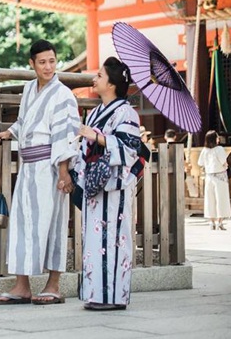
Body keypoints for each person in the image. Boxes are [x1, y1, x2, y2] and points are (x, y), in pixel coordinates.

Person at [0, 40, 81, 306]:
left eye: (52, 61)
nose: (48, 67)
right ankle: (22, 285)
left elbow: (65, 133)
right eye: (42, 62)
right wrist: (10, 132)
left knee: (52, 223)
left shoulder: (63, 94)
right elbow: (24, 121)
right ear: (32, 64)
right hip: (27, 166)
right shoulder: (30, 89)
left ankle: (53, 284)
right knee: (22, 224)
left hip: (50, 167)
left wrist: (64, 171)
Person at [75, 56, 143, 311]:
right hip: (95, 183)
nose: (95, 79)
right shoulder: (94, 113)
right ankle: (96, 293)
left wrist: (98, 137)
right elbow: (85, 147)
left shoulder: (126, 112)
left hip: (115, 187)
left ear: (112, 84)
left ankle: (113, 296)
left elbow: (130, 149)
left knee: (114, 239)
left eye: (100, 76)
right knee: (94, 241)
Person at [198, 130, 231, 230]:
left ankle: (211, 222)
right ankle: (219, 222)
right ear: (214, 139)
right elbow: (224, 162)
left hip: (209, 177)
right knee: (221, 200)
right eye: (217, 137)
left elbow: (200, 163)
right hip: (220, 177)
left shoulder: (205, 150)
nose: (218, 139)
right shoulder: (219, 149)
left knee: (209, 199)